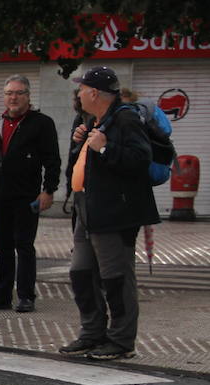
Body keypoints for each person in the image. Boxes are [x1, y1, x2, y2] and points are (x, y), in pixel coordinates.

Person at [59, 66, 159, 361]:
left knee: (116, 278)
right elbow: (88, 165)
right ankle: (92, 333)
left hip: (115, 213)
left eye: (81, 89)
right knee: (80, 273)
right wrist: (81, 144)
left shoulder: (125, 118)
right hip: (88, 209)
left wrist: (104, 149)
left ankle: (121, 340)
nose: (77, 94)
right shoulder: (93, 119)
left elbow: (140, 159)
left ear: (93, 93)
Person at [0, 74, 60, 313]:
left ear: (28, 96)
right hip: (0, 195)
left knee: (24, 245)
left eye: (18, 93)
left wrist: (49, 190)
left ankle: (26, 296)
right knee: (2, 245)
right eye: (9, 93)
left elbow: (52, 159)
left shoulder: (42, 123)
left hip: (27, 196)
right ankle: (2, 295)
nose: (13, 97)